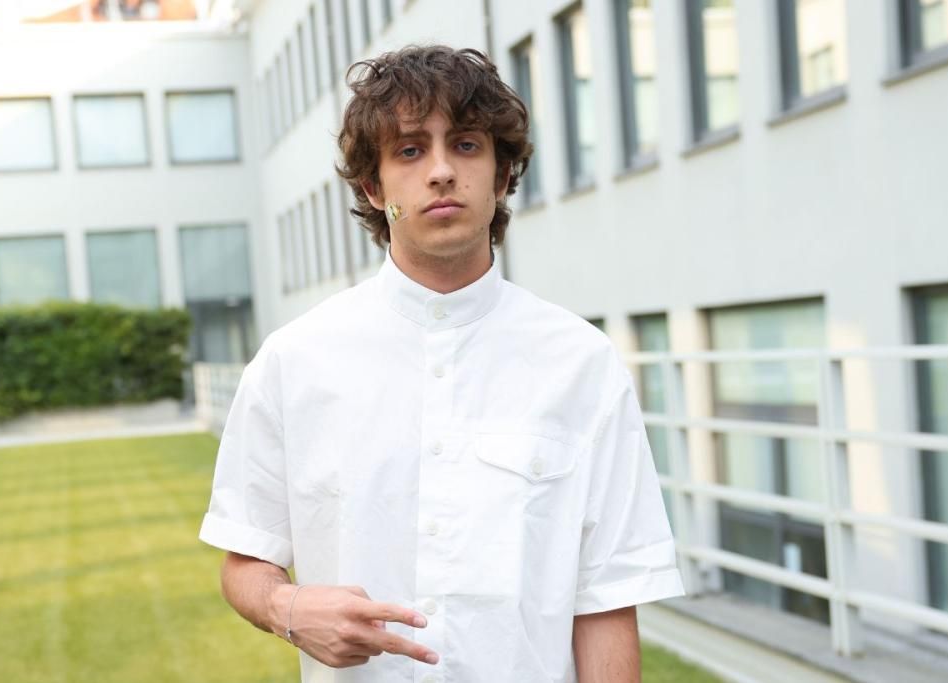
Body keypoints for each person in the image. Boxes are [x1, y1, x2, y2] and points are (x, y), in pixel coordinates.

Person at [199, 45, 684, 682]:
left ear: (502, 175)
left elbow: (607, 596)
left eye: (466, 145)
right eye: (409, 150)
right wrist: (287, 608)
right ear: (373, 188)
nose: (441, 172)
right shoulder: (293, 361)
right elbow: (245, 557)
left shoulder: (581, 363)